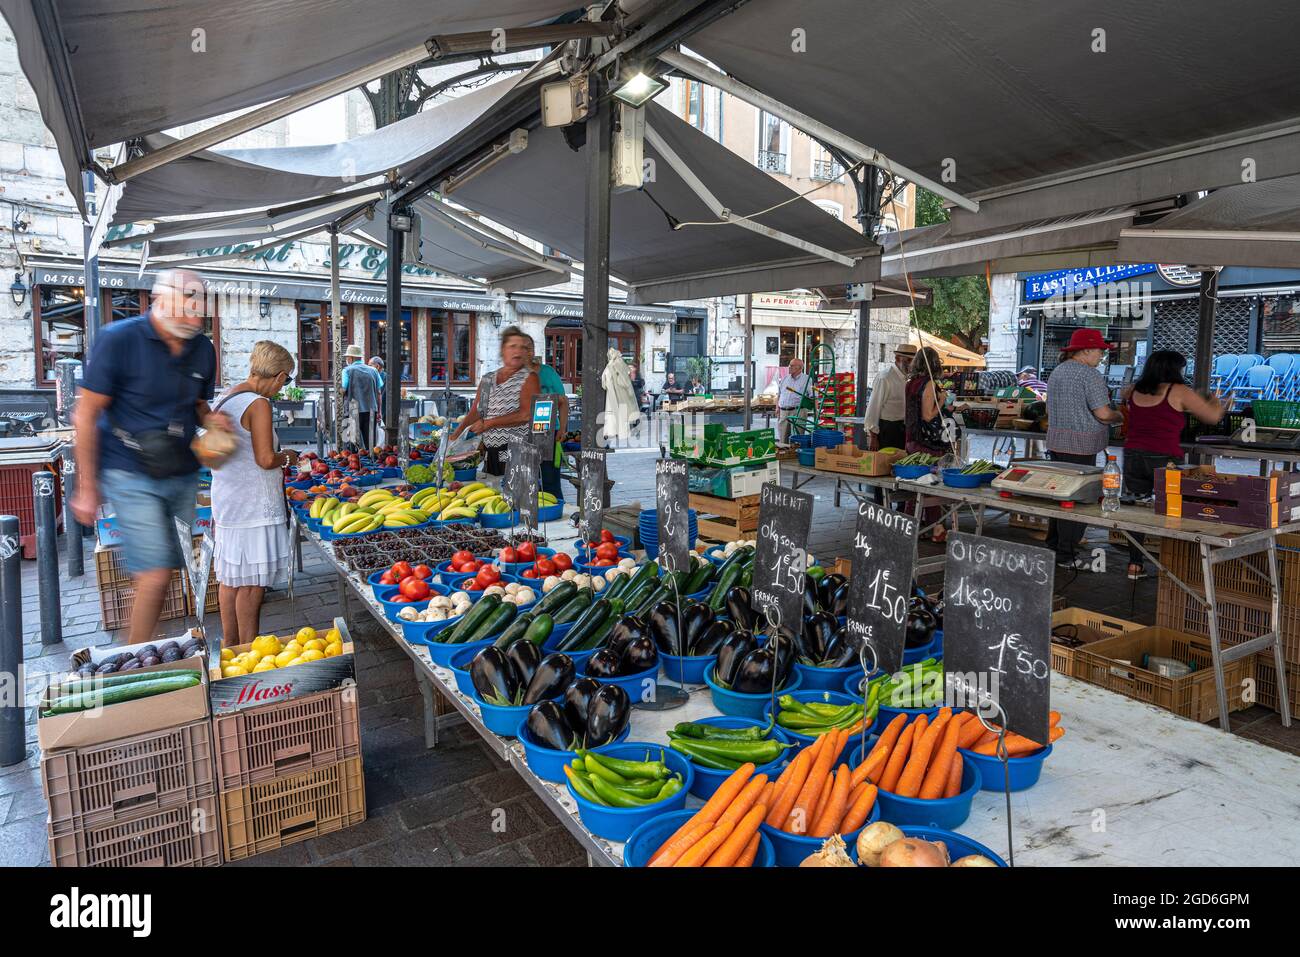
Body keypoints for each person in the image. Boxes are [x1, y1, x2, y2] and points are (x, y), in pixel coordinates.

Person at [71, 268, 221, 645]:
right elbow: (86, 413)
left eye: (199, 308)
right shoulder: (119, 339)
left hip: (183, 470)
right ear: (161, 299)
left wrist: (215, 424)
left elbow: (199, 404)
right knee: (155, 572)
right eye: (188, 306)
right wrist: (86, 488)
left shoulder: (203, 348)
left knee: (171, 568)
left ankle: (147, 649)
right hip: (130, 468)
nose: (196, 316)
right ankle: (136, 669)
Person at [211, 341, 298, 647]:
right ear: (279, 376)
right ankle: (248, 651)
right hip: (252, 506)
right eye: (285, 382)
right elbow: (265, 459)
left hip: (227, 501)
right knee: (251, 584)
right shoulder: (258, 404)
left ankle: (230, 646)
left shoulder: (227, 396)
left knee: (231, 579)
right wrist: (287, 456)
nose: (282, 388)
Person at [1122, 350, 1226, 580]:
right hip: (1165, 458)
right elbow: (1212, 417)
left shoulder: (1133, 390)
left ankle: (1134, 565)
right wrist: (1220, 402)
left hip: (1134, 455)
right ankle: (1173, 563)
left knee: (1135, 511)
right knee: (1173, 510)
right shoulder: (1179, 391)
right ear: (1174, 369)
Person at [1044, 328, 1123, 571]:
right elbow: (1103, 413)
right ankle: (1066, 554)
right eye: (1100, 351)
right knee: (1076, 501)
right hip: (1081, 446)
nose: (1102, 356)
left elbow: (1048, 411)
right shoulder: (1089, 375)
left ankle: (1054, 547)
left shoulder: (1057, 372)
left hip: (1057, 443)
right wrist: (1119, 416)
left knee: (1059, 497)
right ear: (1086, 350)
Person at [452, 326, 540, 476]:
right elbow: (476, 411)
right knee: (492, 489)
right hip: (489, 450)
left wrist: (488, 424)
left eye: (522, 347)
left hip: (515, 450)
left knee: (512, 492)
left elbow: (526, 414)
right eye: (513, 346)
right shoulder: (488, 378)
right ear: (503, 350)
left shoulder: (529, 378)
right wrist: (457, 433)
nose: (518, 351)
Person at [904, 346, 953, 542]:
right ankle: (931, 528)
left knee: (917, 483)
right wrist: (941, 401)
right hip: (927, 441)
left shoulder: (910, 383)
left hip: (911, 436)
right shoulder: (929, 384)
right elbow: (928, 415)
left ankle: (921, 527)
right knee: (930, 484)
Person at [529, 347, 568, 500]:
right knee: (527, 479)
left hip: (549, 433)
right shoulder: (516, 376)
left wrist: (562, 429)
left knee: (550, 480)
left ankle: (556, 507)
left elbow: (563, 402)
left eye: (527, 348)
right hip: (524, 434)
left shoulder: (548, 373)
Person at [864, 342, 917, 450]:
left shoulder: (908, 378)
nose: (912, 365)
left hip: (904, 429)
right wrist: (873, 438)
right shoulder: (885, 377)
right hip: (887, 430)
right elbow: (873, 409)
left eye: (914, 361)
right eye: (909, 360)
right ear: (898, 358)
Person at [341, 344, 381, 450]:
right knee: (371, 445)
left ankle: (353, 465)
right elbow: (378, 393)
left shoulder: (347, 371)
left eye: (347, 357)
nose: (346, 359)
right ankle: (371, 464)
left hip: (352, 411)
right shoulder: (374, 371)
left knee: (351, 446)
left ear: (351, 358)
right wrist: (379, 411)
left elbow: (343, 389)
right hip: (371, 411)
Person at [775, 358, 812, 443]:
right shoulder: (785, 379)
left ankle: (796, 455)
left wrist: (816, 410)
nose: (789, 367)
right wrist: (777, 407)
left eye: (792, 366)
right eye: (789, 365)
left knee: (797, 438)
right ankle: (784, 455)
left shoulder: (806, 379)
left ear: (799, 368)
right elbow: (779, 394)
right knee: (783, 438)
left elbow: (813, 396)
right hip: (784, 412)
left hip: (798, 411)